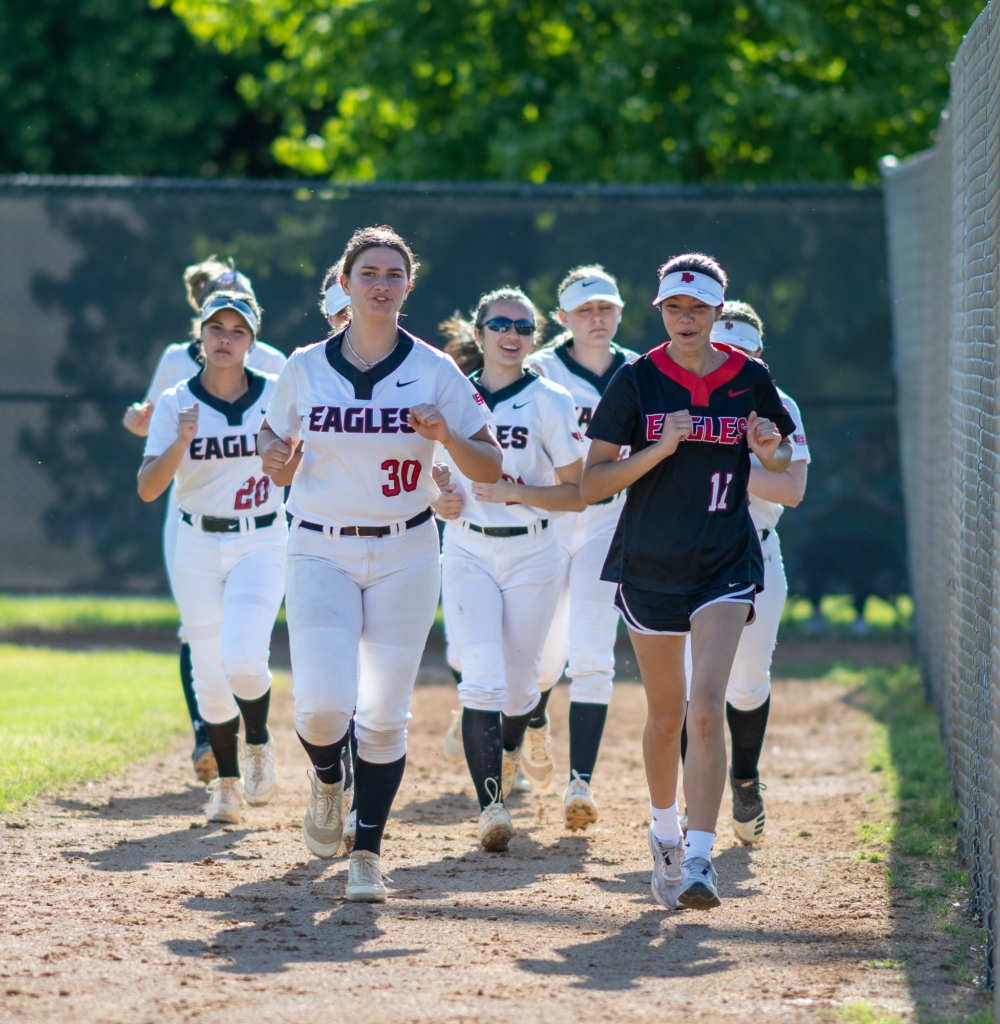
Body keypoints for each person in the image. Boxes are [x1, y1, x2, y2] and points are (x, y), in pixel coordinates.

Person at [258, 225, 502, 902]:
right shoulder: (305, 365)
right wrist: (274, 457)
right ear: (345, 281)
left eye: (394, 274)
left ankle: (366, 852)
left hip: (405, 547)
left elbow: (488, 463)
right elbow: (271, 436)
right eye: (368, 272)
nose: (381, 284)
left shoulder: (434, 368)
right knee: (322, 705)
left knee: (386, 713)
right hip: (319, 544)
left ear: (409, 287)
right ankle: (328, 781)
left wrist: (446, 433)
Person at [580, 253, 794, 911]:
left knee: (707, 706)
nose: (685, 320)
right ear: (662, 310)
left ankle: (700, 859)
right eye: (674, 308)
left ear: (717, 312)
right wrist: (658, 448)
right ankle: (664, 833)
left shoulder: (750, 377)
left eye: (698, 309)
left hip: (725, 561)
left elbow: (783, 455)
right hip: (650, 563)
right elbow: (592, 483)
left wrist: (767, 449)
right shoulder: (636, 379)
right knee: (665, 712)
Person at [122, 259, 288, 783]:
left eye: (238, 330)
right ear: (200, 332)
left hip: (260, 533)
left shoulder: (277, 382)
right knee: (204, 661)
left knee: (242, 656)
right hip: (194, 528)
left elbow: (298, 461)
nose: (225, 338)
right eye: (216, 327)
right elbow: (149, 485)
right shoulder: (178, 390)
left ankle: (257, 736)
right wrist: (177, 439)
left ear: (252, 338)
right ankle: (225, 780)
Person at [434, 288, 586, 852]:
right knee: (481, 679)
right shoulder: (452, 397)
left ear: (534, 339)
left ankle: (518, 740)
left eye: (523, 328)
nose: (511, 335)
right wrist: (438, 501)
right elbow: (429, 476)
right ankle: (491, 808)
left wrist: (513, 490)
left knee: (524, 687)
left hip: (533, 551)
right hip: (468, 549)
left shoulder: (549, 399)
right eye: (499, 324)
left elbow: (576, 494)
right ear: (478, 335)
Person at [680, 301, 809, 844]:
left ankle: (745, 777)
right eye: (724, 348)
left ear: (759, 357)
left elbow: (791, 490)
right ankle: (696, 804)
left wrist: (726, 462)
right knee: (694, 688)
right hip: (687, 557)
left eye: (745, 351)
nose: (733, 359)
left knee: (748, 682)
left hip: (755, 551)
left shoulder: (778, 407)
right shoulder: (674, 397)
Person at [522, 266, 639, 831]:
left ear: (620, 312)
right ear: (563, 319)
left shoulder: (642, 370)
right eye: (585, 311)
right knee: (543, 659)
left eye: (606, 308)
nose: (597, 319)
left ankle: (581, 783)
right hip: (546, 522)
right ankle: (536, 717)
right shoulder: (539, 369)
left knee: (593, 654)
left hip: (607, 523)